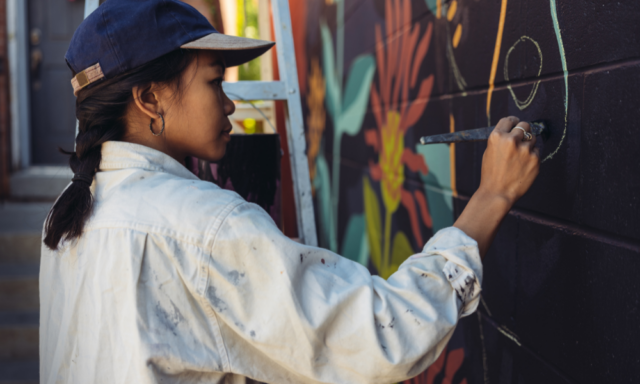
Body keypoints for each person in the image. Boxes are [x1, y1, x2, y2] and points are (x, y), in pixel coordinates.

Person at [39, 1, 540, 383]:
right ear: (150, 98)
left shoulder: (68, 215)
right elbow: (383, 334)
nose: (230, 104)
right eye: (215, 82)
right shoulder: (203, 226)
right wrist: (491, 197)